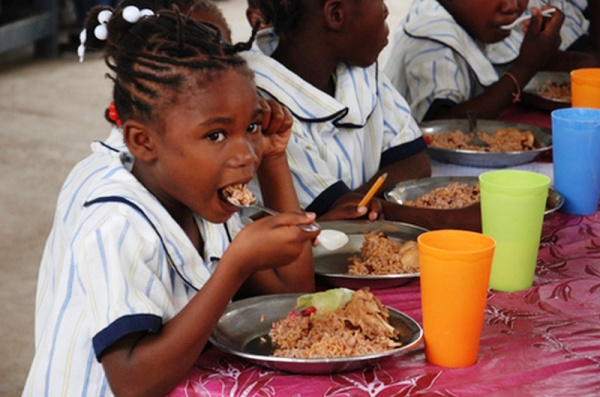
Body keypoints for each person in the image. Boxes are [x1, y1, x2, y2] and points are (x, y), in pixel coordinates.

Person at [22, 1, 319, 395]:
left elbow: (293, 297)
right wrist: (234, 267)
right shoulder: (116, 223)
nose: (247, 154)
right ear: (143, 142)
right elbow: (132, 381)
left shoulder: (203, 202)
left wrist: (276, 159)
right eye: (216, 135)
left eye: (251, 126)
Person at [242, 0, 480, 231]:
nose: (386, 10)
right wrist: (453, 220)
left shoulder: (360, 68)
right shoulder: (262, 105)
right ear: (336, 14)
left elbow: (414, 162)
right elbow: (323, 217)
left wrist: (357, 203)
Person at [384, 0, 600, 123]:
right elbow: (444, 126)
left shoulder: (485, 19)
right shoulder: (429, 38)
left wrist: (544, 51)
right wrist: (525, 67)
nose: (512, 6)